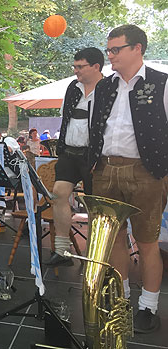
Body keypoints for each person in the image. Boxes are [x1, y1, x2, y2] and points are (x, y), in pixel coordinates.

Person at [88, 25, 168, 334]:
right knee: (113, 238)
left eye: (115, 50)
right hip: (106, 169)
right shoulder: (105, 86)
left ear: (138, 49)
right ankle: (120, 300)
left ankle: (148, 306)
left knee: (147, 242)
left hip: (146, 171)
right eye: (108, 50)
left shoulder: (161, 83)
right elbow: (97, 130)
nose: (110, 56)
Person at [45, 47, 104, 267]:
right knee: (59, 194)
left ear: (96, 67)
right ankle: (62, 251)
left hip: (94, 155)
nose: (76, 70)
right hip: (69, 151)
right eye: (75, 66)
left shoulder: (108, 88)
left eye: (80, 66)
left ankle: (96, 255)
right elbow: (65, 117)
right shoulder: (73, 87)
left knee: (95, 204)